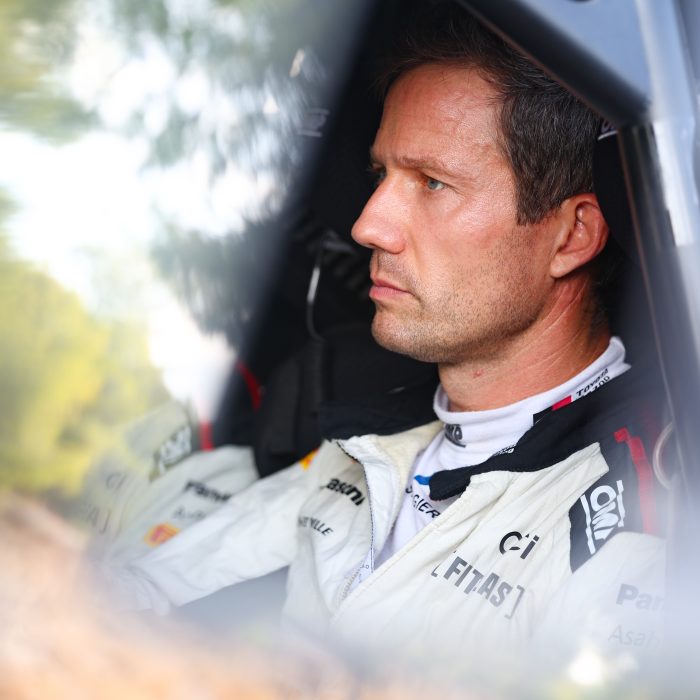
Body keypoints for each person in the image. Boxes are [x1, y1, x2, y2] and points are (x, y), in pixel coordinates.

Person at [102, 3, 666, 673]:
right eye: (380, 177)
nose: (368, 225)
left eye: (433, 183)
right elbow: (138, 591)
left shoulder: (642, 515)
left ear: (571, 237)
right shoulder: (368, 436)